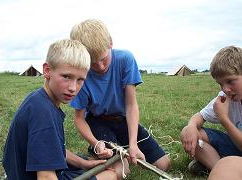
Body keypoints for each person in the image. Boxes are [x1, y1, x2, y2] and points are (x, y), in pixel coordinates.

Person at [2, 39, 122, 180]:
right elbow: (46, 177)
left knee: (98, 165)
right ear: (47, 71)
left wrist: (83, 164)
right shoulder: (43, 112)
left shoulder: (38, 100)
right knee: (113, 174)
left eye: (80, 80)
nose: (73, 88)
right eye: (66, 77)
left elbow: (50, 149)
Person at [69, 19, 170, 171]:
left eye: (103, 59)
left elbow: (130, 105)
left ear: (110, 43)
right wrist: (96, 142)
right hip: (97, 122)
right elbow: (79, 118)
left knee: (163, 165)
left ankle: (113, 148)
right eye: (92, 63)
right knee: (123, 170)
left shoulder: (125, 59)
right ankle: (96, 150)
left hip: (122, 119)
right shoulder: (81, 73)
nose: (100, 66)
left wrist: (133, 144)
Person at [180, 46, 242, 176]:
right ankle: (219, 168)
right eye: (220, 84)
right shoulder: (225, 97)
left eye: (230, 81)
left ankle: (223, 169)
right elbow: (199, 116)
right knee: (189, 132)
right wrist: (191, 126)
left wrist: (223, 118)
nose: (225, 89)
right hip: (235, 146)